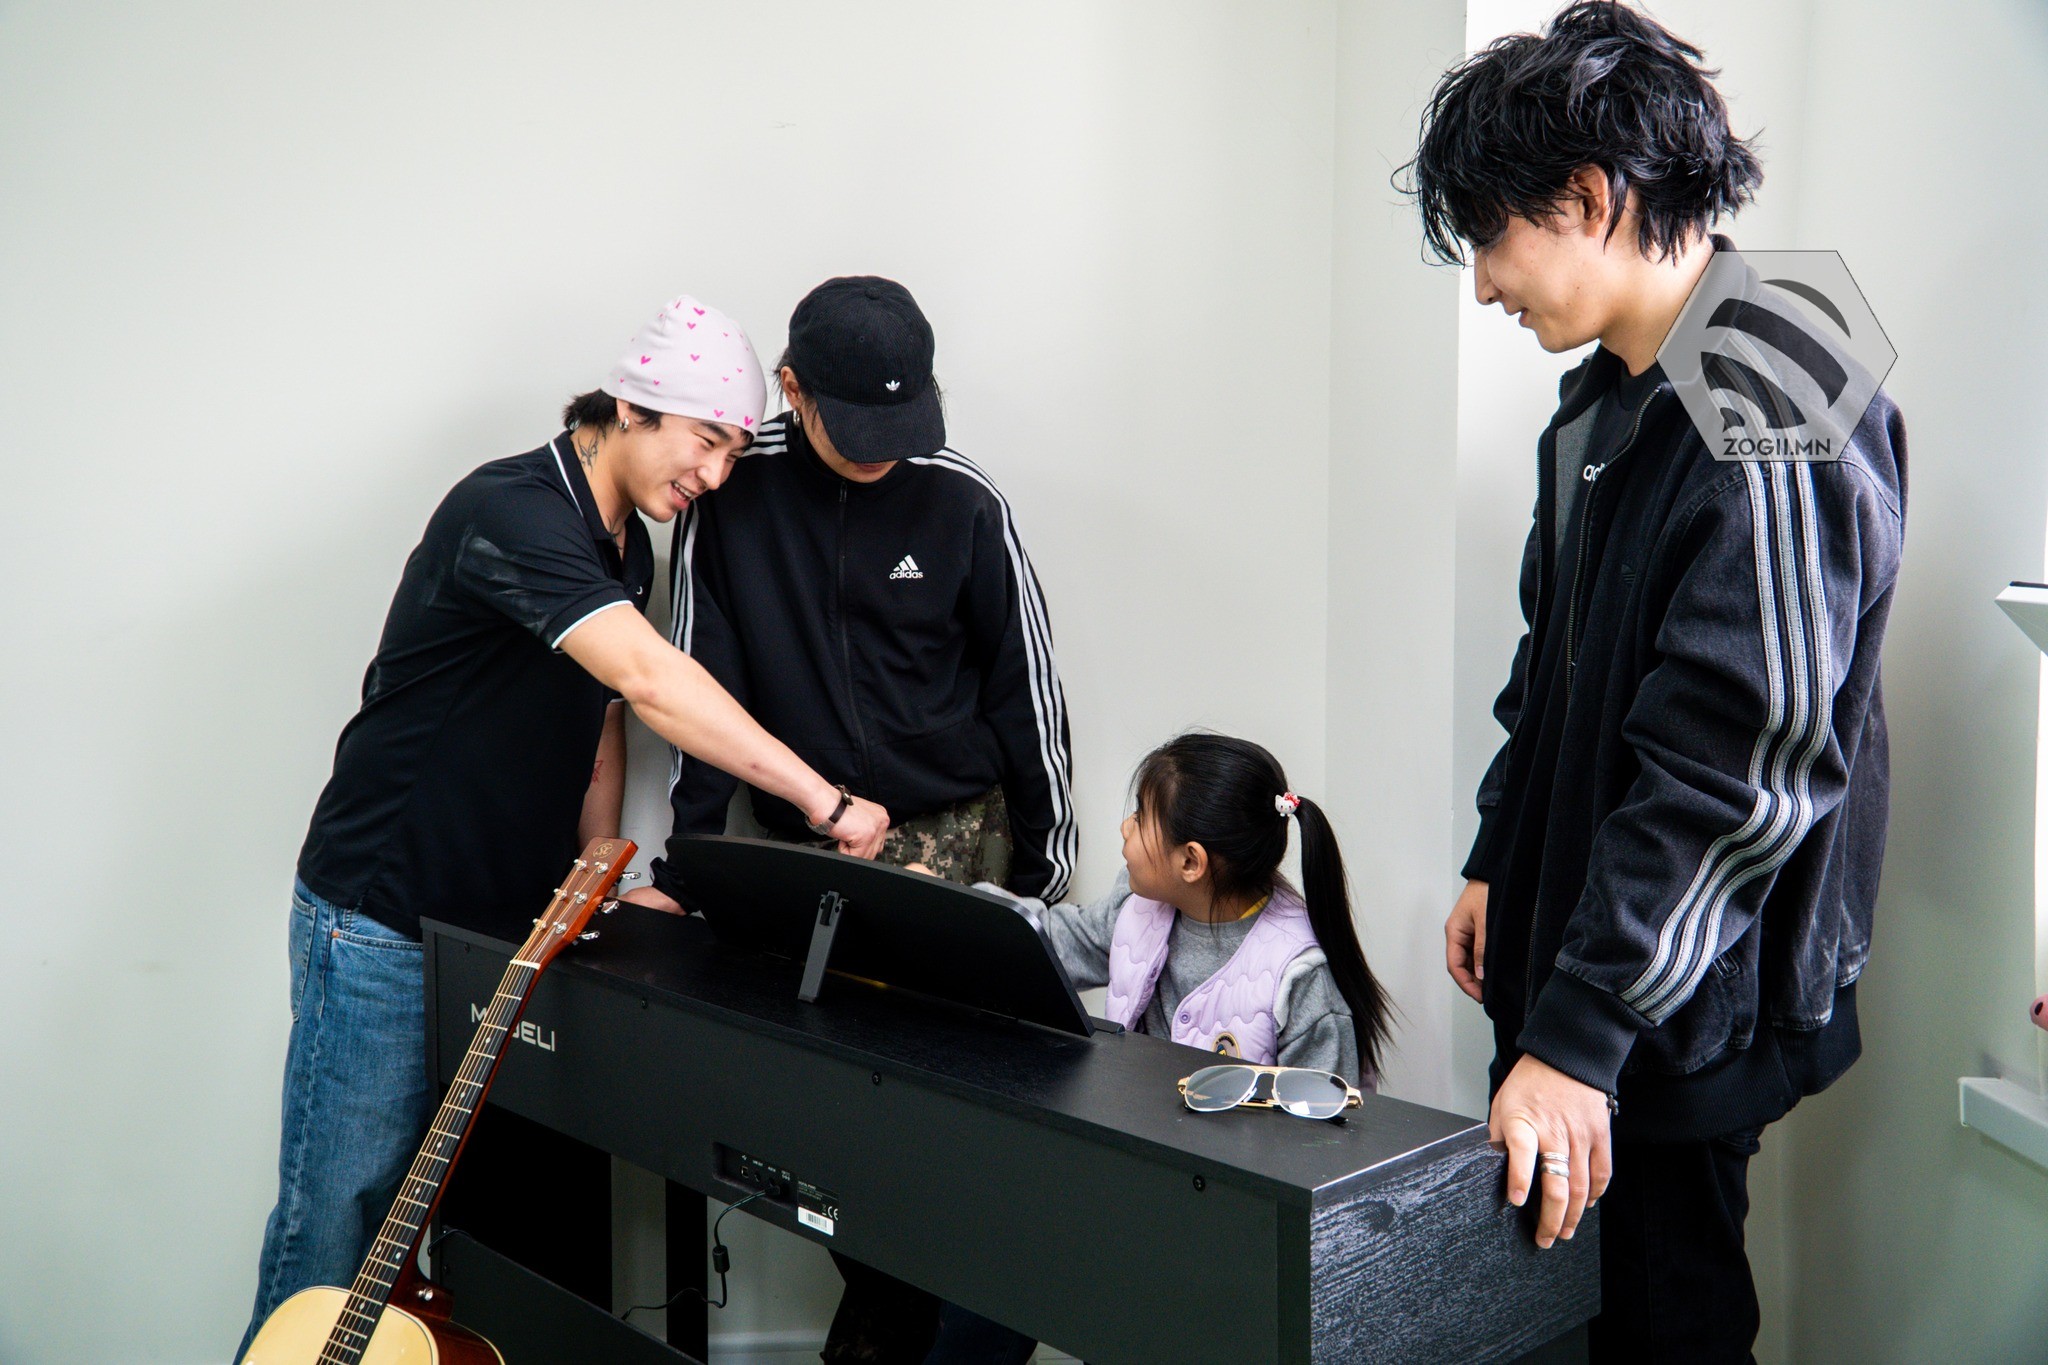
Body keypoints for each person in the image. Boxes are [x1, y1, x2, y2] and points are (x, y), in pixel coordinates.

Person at [233, 294, 889, 1363]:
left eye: (733, 451)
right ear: (630, 407)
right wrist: (826, 800)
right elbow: (649, 679)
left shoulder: (625, 546)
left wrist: (595, 862)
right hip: (381, 917)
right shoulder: (510, 510)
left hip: (501, 929)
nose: (716, 475)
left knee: (476, 1241)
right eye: (704, 442)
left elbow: (602, 715)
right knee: (336, 1239)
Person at [1403, 5, 1906, 1361]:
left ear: (1588, 198)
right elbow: (1551, 661)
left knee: (1661, 1319)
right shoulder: (1608, 392)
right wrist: (1501, 853)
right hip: (1592, 958)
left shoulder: (1774, 399)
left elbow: (1738, 771)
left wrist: (1582, 1033)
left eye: (1490, 240)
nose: (1484, 287)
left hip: (1675, 1007)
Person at [628, 276, 1075, 1365]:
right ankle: (891, 1334)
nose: (883, 455)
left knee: (953, 1137)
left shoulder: (960, 498)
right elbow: (698, 688)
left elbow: (1025, 685)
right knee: (831, 1131)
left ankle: (908, 1344)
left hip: (957, 837)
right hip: (808, 850)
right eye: (857, 431)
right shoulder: (733, 496)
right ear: (792, 389)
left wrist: (1042, 874)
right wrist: (682, 873)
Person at [937, 731, 1394, 1365]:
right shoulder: (1140, 908)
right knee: (995, 1256)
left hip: (1229, 1227)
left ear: (1191, 862)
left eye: (1140, 817)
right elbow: (1051, 940)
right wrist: (952, 903)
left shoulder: (1300, 977)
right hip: (1140, 1180)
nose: (1124, 828)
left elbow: (1327, 1161)